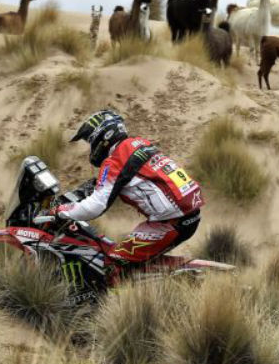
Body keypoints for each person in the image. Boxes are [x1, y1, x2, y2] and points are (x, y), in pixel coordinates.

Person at [48, 109, 204, 280]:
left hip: (171, 223)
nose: (91, 148)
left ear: (104, 136)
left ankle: (134, 299)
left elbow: (97, 205)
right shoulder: (139, 144)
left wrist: (61, 211)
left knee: (112, 265)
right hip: (185, 216)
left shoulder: (116, 159)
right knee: (129, 257)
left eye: (91, 140)